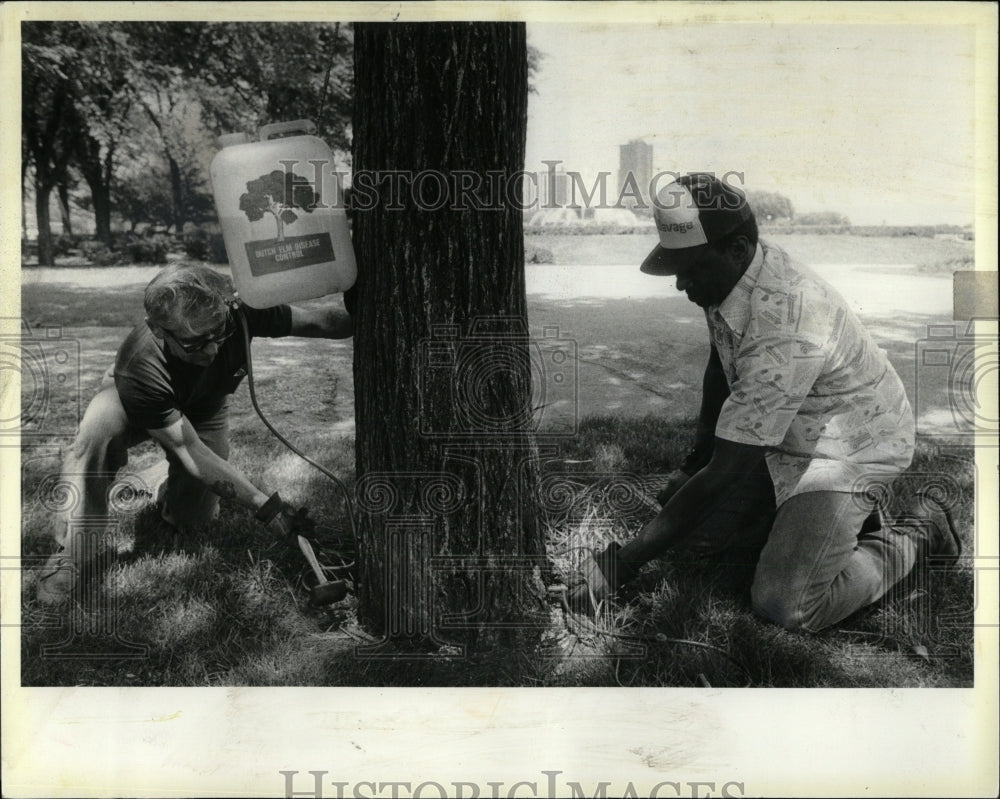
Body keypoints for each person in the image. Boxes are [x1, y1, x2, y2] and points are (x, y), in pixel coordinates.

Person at [569, 173, 962, 632]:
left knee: (786, 604)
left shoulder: (787, 318)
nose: (680, 284)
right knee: (694, 538)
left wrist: (622, 562)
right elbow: (721, 363)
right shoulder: (730, 277)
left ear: (736, 249)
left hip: (848, 449)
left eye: (690, 268)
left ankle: (917, 532)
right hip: (787, 434)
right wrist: (693, 463)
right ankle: (839, 523)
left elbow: (728, 468)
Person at [36, 263, 355, 606]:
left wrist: (369, 305)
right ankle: (73, 551)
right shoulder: (139, 363)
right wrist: (267, 508)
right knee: (98, 430)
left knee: (192, 520)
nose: (212, 351)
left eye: (218, 335)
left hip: (204, 407)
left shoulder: (240, 314)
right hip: (134, 400)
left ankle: (160, 480)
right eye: (195, 344)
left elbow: (321, 322)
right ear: (158, 331)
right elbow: (188, 448)